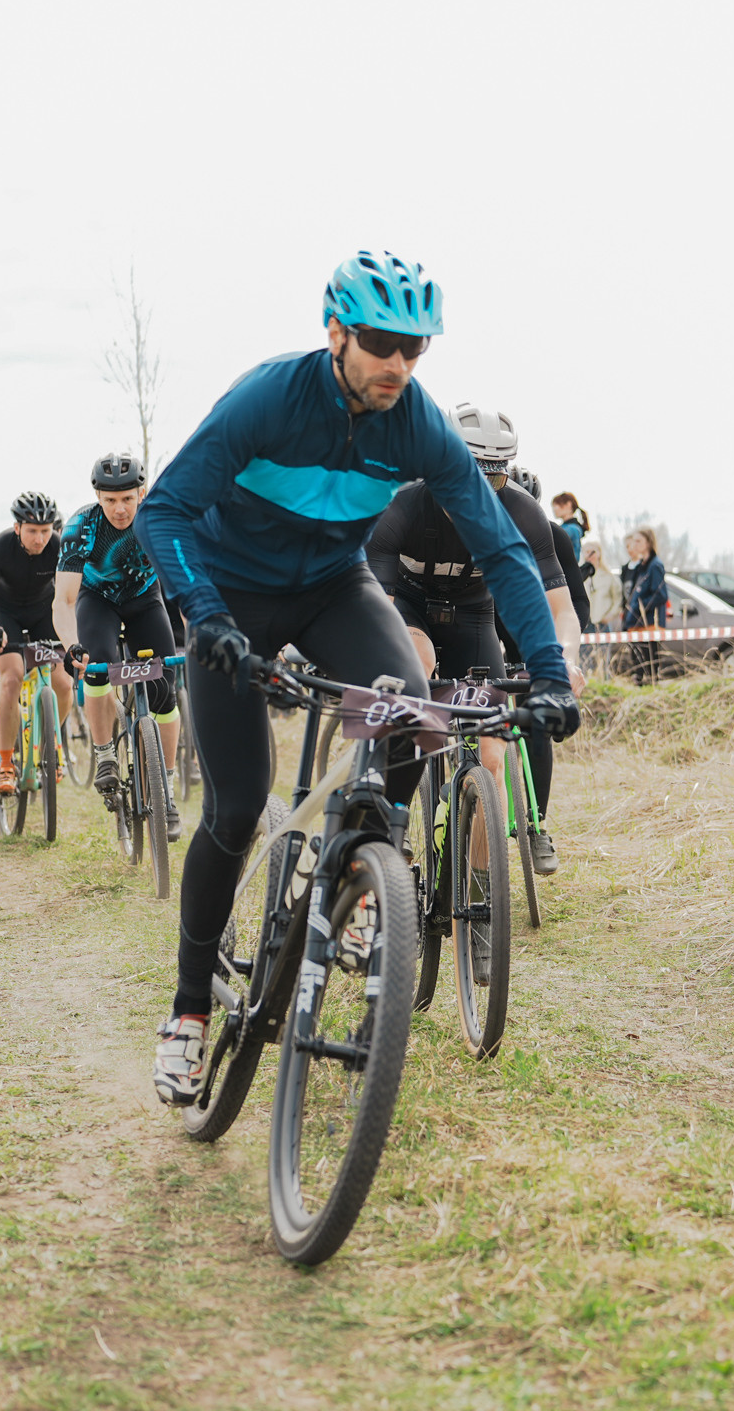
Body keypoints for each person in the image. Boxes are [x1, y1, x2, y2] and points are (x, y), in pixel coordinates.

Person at [134, 249, 581, 1107]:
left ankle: (360, 873)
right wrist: (206, 614)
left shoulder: (416, 423)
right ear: (336, 330)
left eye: (416, 347)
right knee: (234, 808)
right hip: (231, 597)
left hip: (333, 590)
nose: (399, 365)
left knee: (416, 715)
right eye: (381, 342)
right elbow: (165, 509)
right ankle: (188, 1016)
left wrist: (553, 673)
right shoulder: (269, 397)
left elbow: (503, 550)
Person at [368, 403, 583, 878]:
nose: (479, 494)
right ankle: (389, 827)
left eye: (495, 480)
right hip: (406, 607)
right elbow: (374, 606)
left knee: (491, 752)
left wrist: (566, 659)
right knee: (414, 672)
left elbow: (562, 611)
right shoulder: (401, 505)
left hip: (472, 615)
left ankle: (482, 890)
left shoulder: (522, 514)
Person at [52, 455, 182, 835]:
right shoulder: (80, 527)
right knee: (98, 664)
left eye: (127, 498)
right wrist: (72, 644)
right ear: (97, 497)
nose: (120, 509)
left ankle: (167, 794)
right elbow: (64, 600)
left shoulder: (157, 518)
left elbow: (185, 583)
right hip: (98, 600)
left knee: (165, 692)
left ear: (141, 492)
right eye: (110, 501)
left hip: (145, 599)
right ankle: (105, 753)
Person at [0, 491, 77, 796]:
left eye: (46, 531)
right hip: (6, 615)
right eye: (33, 531)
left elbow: (72, 595)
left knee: (63, 683)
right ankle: (5, 765)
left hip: (42, 614)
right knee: (12, 679)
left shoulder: (61, 547)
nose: (40, 539)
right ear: (17, 527)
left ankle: (49, 742)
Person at [619, 528, 670, 684]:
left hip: (648, 621)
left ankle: (652, 685)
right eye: (633, 541)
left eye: (638, 541)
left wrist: (641, 607)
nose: (634, 544)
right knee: (637, 659)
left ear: (649, 542)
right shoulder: (641, 565)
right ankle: (641, 684)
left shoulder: (655, 565)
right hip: (635, 620)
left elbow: (660, 595)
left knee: (649, 659)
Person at [550, 491, 590, 560]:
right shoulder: (569, 528)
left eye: (556, 505)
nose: (554, 509)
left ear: (568, 504)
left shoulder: (572, 529)